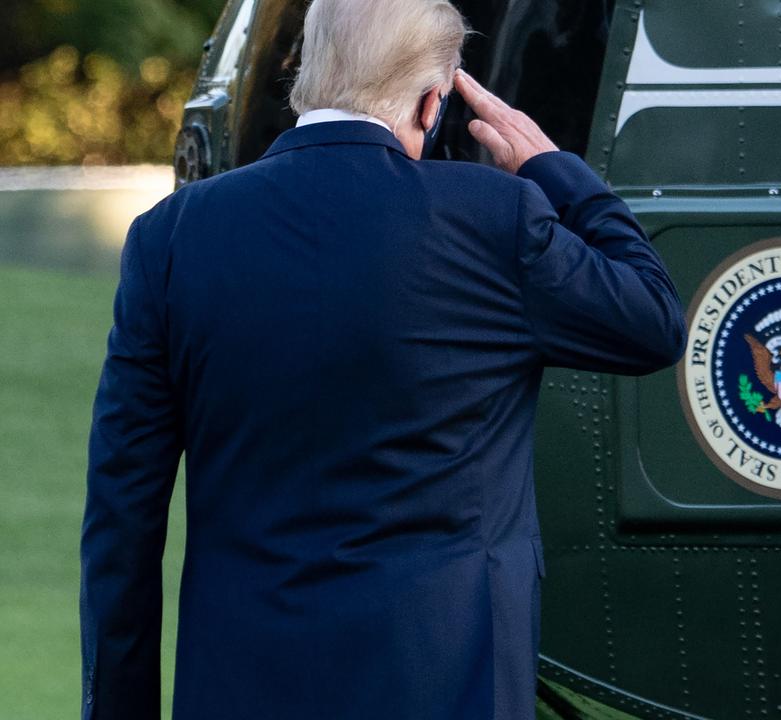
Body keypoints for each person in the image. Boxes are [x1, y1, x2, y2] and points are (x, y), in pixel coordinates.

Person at [77, 0, 687, 717]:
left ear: (307, 73)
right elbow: (652, 320)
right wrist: (553, 168)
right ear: (434, 103)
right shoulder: (495, 220)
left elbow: (122, 516)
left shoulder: (169, 239)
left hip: (242, 688)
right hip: (450, 686)